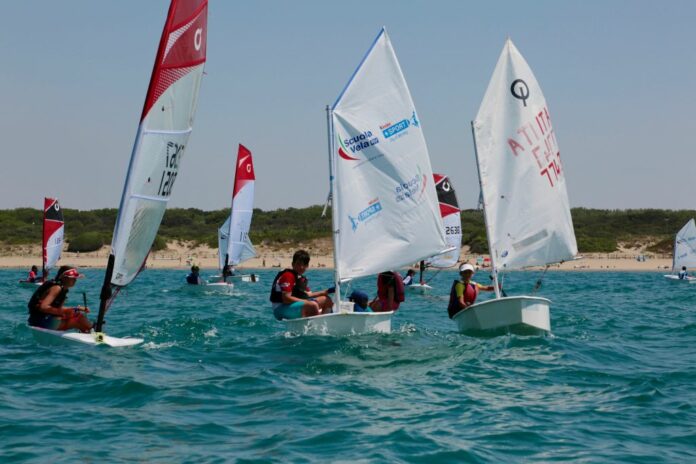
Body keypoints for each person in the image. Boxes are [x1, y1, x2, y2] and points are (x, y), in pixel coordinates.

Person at [270, 250, 333, 320]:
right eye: (298, 264)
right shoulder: (288, 275)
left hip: (292, 305)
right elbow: (286, 298)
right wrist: (306, 302)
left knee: (326, 300)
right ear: (293, 264)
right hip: (280, 308)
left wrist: (326, 291)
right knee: (312, 305)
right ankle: (316, 325)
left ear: (307, 266)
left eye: (304, 265)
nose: (301, 267)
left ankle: (325, 323)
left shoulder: (299, 278)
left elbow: (308, 295)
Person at [27, 266, 91, 333]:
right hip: (38, 321)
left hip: (42, 319)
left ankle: (89, 333)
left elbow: (58, 308)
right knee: (78, 319)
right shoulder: (56, 288)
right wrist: (63, 312)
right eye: (72, 278)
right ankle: (92, 331)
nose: (75, 280)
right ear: (64, 278)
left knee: (78, 317)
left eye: (75, 278)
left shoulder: (63, 290)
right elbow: (43, 307)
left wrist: (76, 309)